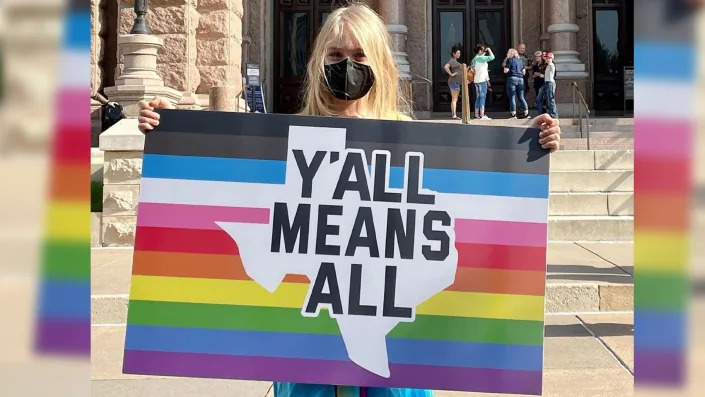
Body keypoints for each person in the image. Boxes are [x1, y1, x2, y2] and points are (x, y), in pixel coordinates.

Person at [136, 4, 563, 396]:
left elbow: (470, 204)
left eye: (360, 57)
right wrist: (167, 128)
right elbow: (228, 186)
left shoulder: (411, 139)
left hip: (394, 353)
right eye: (336, 55)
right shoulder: (287, 139)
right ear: (320, 61)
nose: (348, 66)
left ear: (379, 62)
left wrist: (535, 144)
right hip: (308, 343)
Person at [503, 48, 529, 119]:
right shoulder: (520, 61)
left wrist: (505, 67)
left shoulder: (509, 60)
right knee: (521, 97)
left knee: (512, 97)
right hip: (521, 79)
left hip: (512, 79)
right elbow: (524, 72)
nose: (507, 54)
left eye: (508, 53)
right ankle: (526, 113)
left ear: (512, 54)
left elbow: (506, 70)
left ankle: (513, 114)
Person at [471, 44, 495, 120]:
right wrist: (489, 50)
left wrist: (488, 81)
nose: (485, 51)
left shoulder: (474, 59)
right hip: (481, 80)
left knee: (478, 97)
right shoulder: (480, 58)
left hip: (476, 80)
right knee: (482, 97)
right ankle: (482, 115)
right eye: (483, 50)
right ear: (480, 51)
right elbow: (492, 57)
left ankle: (476, 114)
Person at [537, 52, 558, 118]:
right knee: (539, 98)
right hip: (546, 83)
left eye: (549, 58)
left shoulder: (551, 65)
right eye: (546, 58)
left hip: (550, 83)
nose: (547, 59)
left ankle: (554, 115)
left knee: (551, 99)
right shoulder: (547, 66)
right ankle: (542, 114)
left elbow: (551, 74)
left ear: (552, 58)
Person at [444, 46, 462, 120]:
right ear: (453, 54)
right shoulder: (452, 61)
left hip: (456, 82)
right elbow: (446, 67)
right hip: (454, 82)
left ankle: (454, 114)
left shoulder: (454, 61)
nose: (459, 54)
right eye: (458, 53)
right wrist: (451, 74)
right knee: (454, 99)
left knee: (455, 98)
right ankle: (454, 115)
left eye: (459, 53)